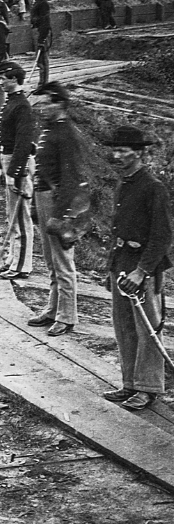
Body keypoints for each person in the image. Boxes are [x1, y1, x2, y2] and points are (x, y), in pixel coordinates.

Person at [101, 125, 171, 411]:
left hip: (143, 266)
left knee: (147, 328)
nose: (116, 155)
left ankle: (148, 388)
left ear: (139, 152)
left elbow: (163, 236)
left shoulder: (153, 187)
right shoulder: (125, 183)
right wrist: (112, 268)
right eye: (114, 150)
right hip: (121, 262)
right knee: (124, 327)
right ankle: (129, 383)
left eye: (123, 150)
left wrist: (141, 271)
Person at [26, 82, 90, 337]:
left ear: (59, 104)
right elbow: (42, 171)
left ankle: (67, 316)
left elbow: (71, 180)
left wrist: (59, 215)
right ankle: (53, 309)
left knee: (63, 263)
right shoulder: (50, 130)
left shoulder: (67, 134)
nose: (40, 109)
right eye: (39, 104)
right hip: (43, 198)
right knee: (51, 261)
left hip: (58, 203)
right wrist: (34, 203)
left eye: (45, 104)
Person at [0, 62, 35, 280]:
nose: (0, 82)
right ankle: (12, 259)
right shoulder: (12, 103)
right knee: (12, 215)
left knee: (21, 216)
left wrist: (14, 172)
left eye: (3, 78)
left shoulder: (22, 106)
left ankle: (22, 265)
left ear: (15, 79)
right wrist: (2, 166)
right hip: (8, 159)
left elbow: (23, 143)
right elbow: (5, 140)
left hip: (19, 163)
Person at [30, 0, 52, 86]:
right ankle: (42, 82)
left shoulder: (43, 4)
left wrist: (42, 38)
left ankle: (44, 83)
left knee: (43, 59)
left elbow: (45, 22)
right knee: (40, 60)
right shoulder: (38, 3)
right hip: (38, 31)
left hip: (42, 32)